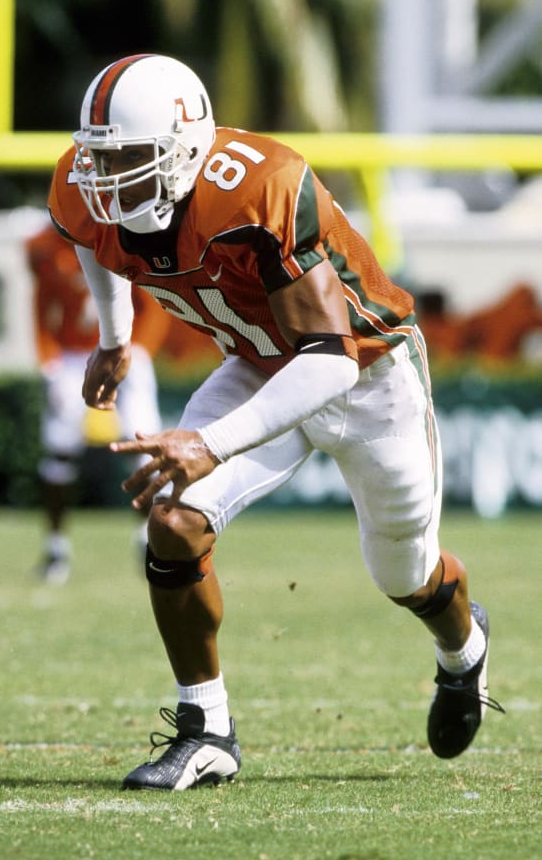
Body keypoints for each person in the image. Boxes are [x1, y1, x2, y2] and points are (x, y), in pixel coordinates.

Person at [47, 53, 504, 789]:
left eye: (130, 159)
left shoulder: (263, 186)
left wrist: (209, 440)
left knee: (405, 573)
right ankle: (207, 731)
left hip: (368, 374)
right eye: (100, 159)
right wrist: (113, 333)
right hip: (259, 364)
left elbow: (331, 361)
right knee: (173, 522)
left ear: (186, 144)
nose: (106, 180)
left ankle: (464, 649)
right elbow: (90, 237)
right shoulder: (81, 185)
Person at [26, 224, 164, 583]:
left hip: (126, 352)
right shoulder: (54, 249)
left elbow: (153, 306)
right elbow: (42, 308)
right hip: (75, 357)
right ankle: (56, 548)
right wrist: (50, 363)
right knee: (59, 452)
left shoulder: (128, 239)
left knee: (145, 445)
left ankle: (149, 541)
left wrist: (141, 350)